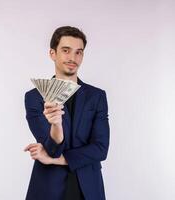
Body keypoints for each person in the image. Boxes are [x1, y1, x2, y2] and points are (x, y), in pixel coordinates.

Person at [24, 26, 110, 200]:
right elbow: (52, 149)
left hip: (88, 187)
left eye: (79, 52)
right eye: (66, 50)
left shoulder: (97, 96)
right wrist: (56, 125)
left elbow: (101, 149)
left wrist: (53, 159)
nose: (73, 58)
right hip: (48, 187)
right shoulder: (35, 98)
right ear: (52, 53)